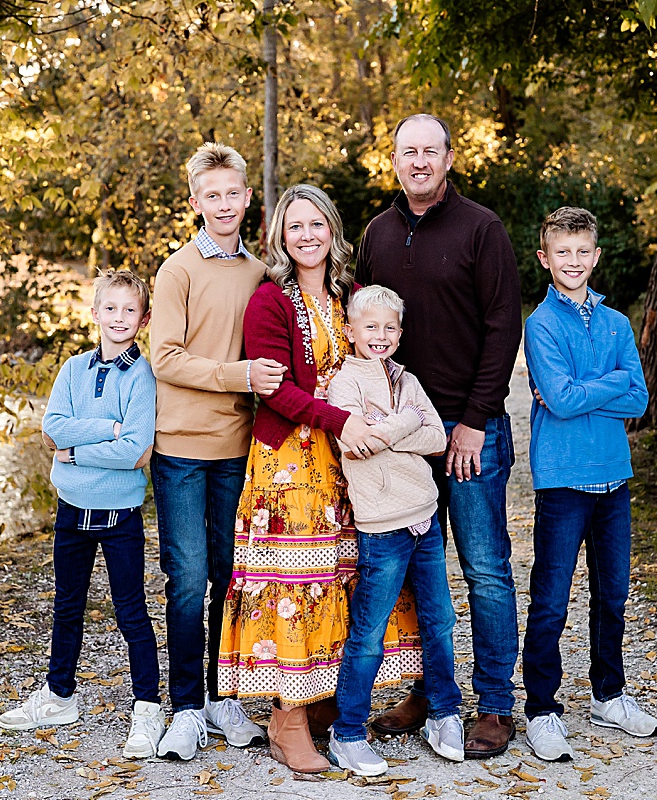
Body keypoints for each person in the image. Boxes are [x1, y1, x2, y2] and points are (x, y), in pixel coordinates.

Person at [218, 184, 421, 774]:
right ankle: (286, 720)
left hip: (349, 465)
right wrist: (343, 417)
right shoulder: (269, 303)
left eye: (317, 225)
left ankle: (324, 702)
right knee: (294, 587)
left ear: (333, 231)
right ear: (281, 235)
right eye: (295, 226)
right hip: (289, 465)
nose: (307, 236)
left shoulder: (353, 296)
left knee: (342, 580)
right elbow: (277, 391)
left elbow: (378, 363)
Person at [355, 113, 522, 758]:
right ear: (393, 160)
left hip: (465, 430)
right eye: (408, 152)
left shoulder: (483, 229)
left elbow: (504, 326)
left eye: (431, 151)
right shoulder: (378, 233)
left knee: (483, 569)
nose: (420, 161)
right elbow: (364, 325)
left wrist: (476, 420)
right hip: (401, 438)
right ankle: (429, 690)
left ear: (449, 158)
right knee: (414, 571)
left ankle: (495, 705)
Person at [149, 143, 285, 761]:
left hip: (238, 447)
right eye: (212, 195)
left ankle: (220, 697)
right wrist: (240, 376)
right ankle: (183, 708)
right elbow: (166, 358)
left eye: (234, 193)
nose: (224, 204)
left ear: (247, 198)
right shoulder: (177, 271)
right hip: (180, 447)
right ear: (196, 201)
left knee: (232, 576)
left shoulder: (258, 273)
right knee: (188, 578)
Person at [0, 270, 162, 761]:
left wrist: (75, 448)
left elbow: (136, 451)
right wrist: (104, 431)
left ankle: (148, 707)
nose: (119, 318)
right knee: (67, 604)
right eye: (109, 309)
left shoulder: (143, 376)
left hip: (120, 513)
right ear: (94, 314)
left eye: (129, 311)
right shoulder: (72, 368)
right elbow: (51, 428)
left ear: (144, 319)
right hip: (72, 508)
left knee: (130, 610)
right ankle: (58, 696)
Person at [521, 206, 657, 762]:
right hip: (562, 482)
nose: (573, 261)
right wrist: (611, 384)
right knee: (552, 599)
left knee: (612, 595)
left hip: (613, 479)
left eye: (583, 252)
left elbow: (640, 398)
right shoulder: (541, 324)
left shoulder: (617, 324)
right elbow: (559, 397)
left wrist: (588, 390)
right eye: (563, 253)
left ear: (595, 256)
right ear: (545, 259)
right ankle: (541, 709)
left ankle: (610, 694)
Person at [325, 285, 463, 777]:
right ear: (352, 331)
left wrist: (392, 425)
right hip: (382, 526)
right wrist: (405, 425)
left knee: (440, 620)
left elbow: (437, 437)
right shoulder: (342, 384)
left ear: (400, 334)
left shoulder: (408, 379)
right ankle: (347, 733)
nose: (379, 336)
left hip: (425, 517)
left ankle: (443, 712)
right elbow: (357, 445)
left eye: (389, 328)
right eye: (370, 327)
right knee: (368, 632)